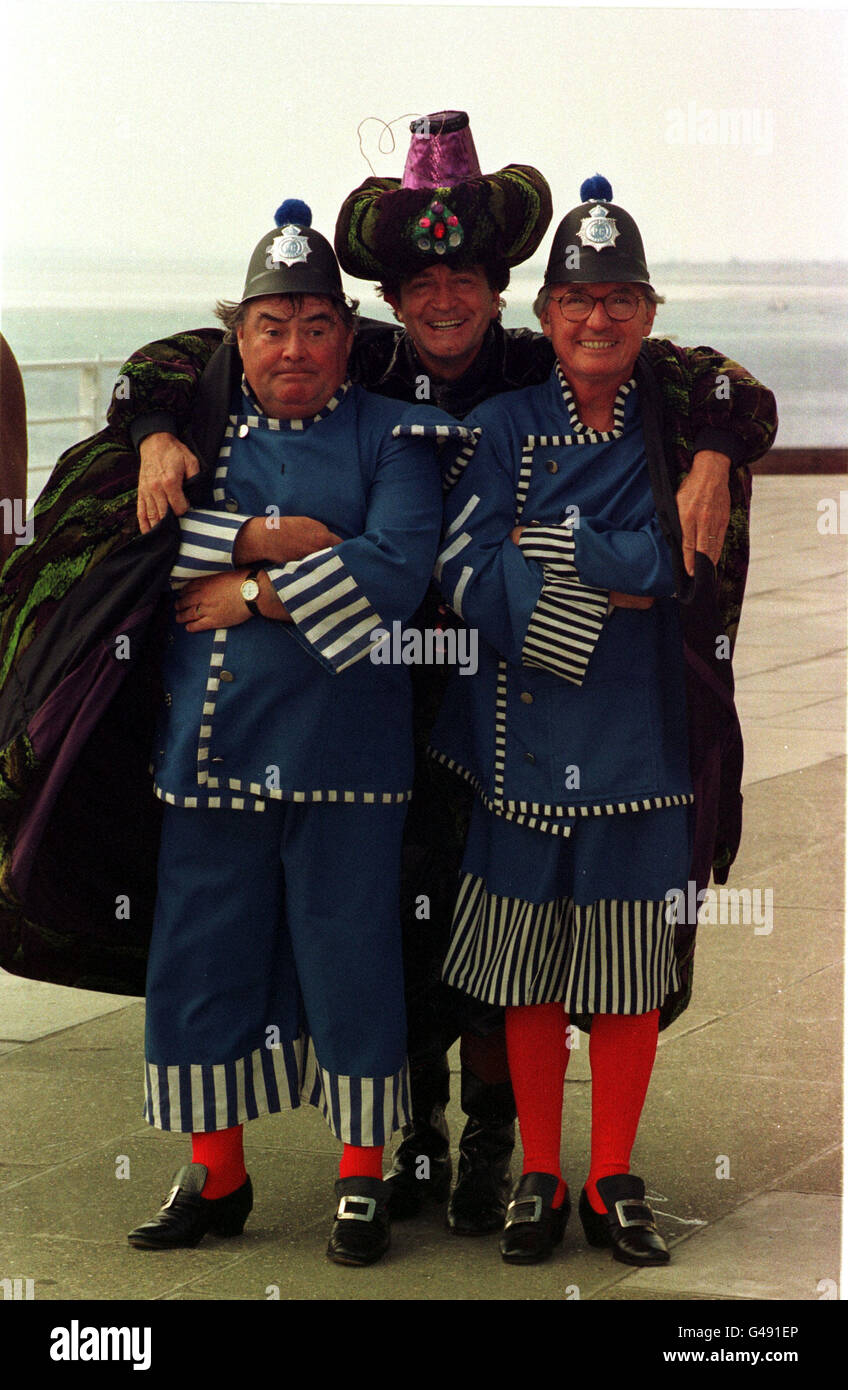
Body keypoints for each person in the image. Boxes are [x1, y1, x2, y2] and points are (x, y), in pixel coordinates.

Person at [88, 113, 777, 1236]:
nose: (445, 299)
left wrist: (707, 452)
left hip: (498, 695)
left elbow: (722, 388)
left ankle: (504, 1148)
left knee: (493, 929)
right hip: (384, 699)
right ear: (392, 302)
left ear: (504, 289)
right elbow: (176, 364)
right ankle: (403, 1141)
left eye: (465, 275)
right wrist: (158, 428)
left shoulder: (535, 360)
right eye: (422, 281)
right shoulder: (357, 361)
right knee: (393, 931)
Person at [0, 205, 457, 1268]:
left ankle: (356, 1177)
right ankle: (217, 1170)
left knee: (350, 964)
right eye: (268, 326)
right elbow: (144, 549)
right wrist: (265, 536)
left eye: (311, 325)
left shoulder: (398, 434)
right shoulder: (190, 439)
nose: (291, 348)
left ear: (346, 335)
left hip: (347, 765)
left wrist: (246, 591)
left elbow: (394, 572)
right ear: (235, 337)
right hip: (206, 760)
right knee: (200, 963)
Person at [429, 177, 777, 1266]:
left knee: (626, 972)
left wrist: (564, 547)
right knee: (527, 969)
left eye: (620, 300)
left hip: (644, 740)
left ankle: (611, 1174)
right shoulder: (496, 427)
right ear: (544, 317)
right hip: (518, 741)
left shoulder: (680, 423)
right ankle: (539, 1169)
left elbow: (678, 566)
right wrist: (608, 576)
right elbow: (459, 572)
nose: (597, 320)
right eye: (577, 302)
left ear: (648, 313)